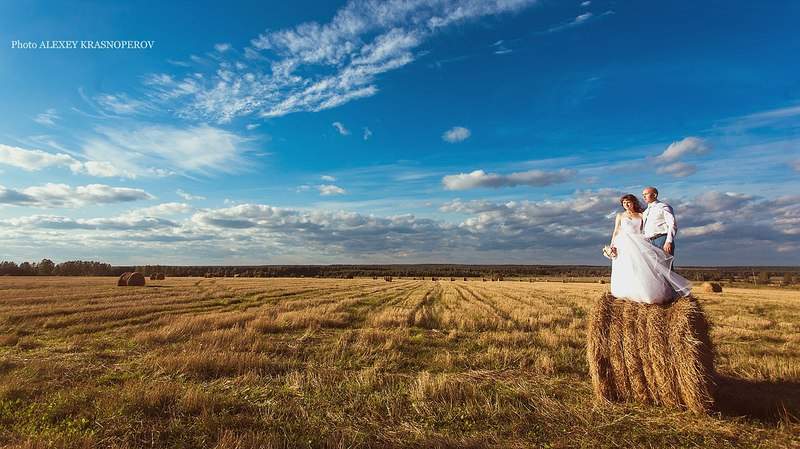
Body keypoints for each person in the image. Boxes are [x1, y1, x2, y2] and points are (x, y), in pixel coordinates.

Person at [609, 194, 691, 304]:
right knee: (625, 266)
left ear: (634, 203)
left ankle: (644, 292)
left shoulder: (641, 215)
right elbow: (616, 231)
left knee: (641, 267)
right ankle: (625, 291)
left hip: (639, 241)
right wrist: (612, 245)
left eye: (628, 202)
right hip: (623, 243)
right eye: (624, 203)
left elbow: (647, 228)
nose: (626, 205)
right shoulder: (620, 215)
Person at [641, 186, 676, 266]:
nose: (644, 196)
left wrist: (669, 241)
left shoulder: (663, 207)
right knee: (654, 269)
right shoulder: (646, 211)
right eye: (643, 194)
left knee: (666, 268)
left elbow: (672, 224)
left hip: (662, 240)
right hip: (649, 241)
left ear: (654, 195)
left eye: (646, 194)